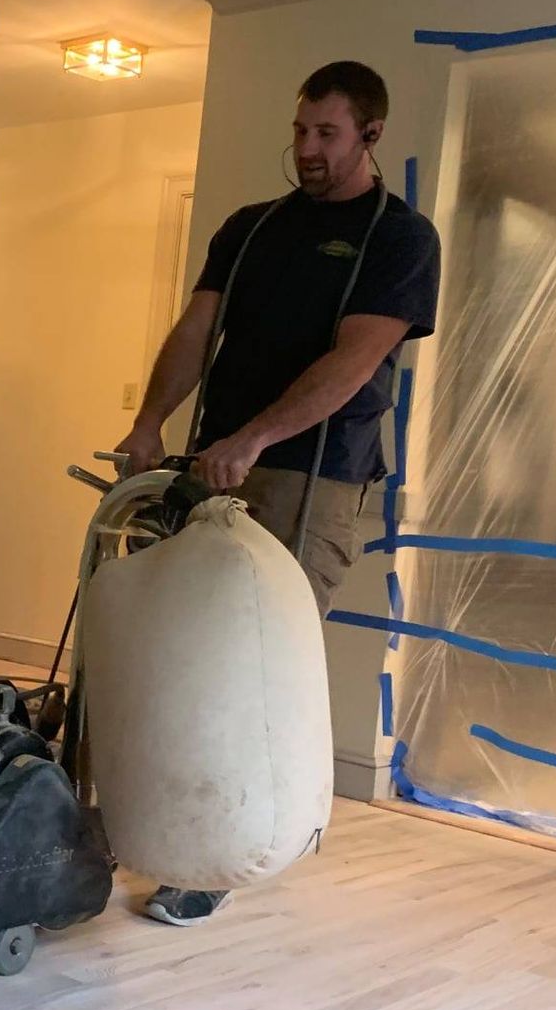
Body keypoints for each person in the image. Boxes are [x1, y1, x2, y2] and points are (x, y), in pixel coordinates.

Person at [113, 60, 441, 926]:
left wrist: (255, 438)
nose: (306, 150)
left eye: (326, 134)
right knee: (177, 648)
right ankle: (147, 817)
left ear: (370, 135)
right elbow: (196, 331)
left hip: (313, 475)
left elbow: (355, 359)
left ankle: (220, 856)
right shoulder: (251, 228)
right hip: (211, 458)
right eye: (300, 131)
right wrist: (150, 422)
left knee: (252, 668)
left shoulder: (399, 240)